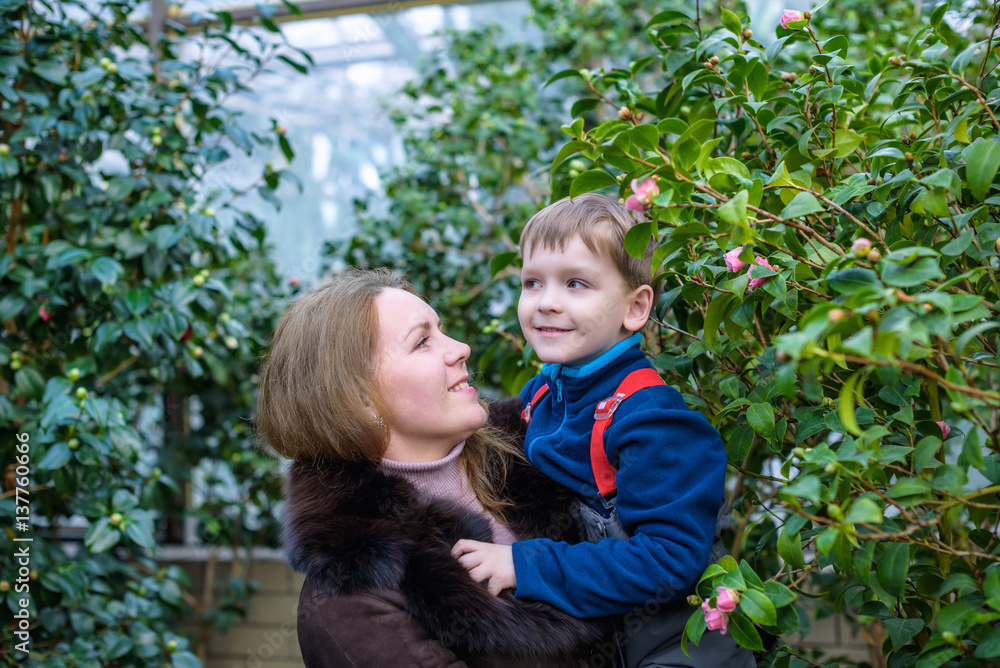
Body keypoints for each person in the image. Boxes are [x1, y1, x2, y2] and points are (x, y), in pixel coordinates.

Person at [452, 193, 756, 667]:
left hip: (680, 646)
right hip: (609, 639)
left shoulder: (652, 420)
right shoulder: (543, 395)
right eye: (533, 282)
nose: (546, 302)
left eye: (576, 283)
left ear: (634, 309)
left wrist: (525, 564)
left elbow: (668, 560)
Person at [255, 268, 606, 668]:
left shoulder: (547, 444)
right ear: (360, 401)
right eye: (422, 342)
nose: (461, 348)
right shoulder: (349, 604)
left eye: (442, 330)